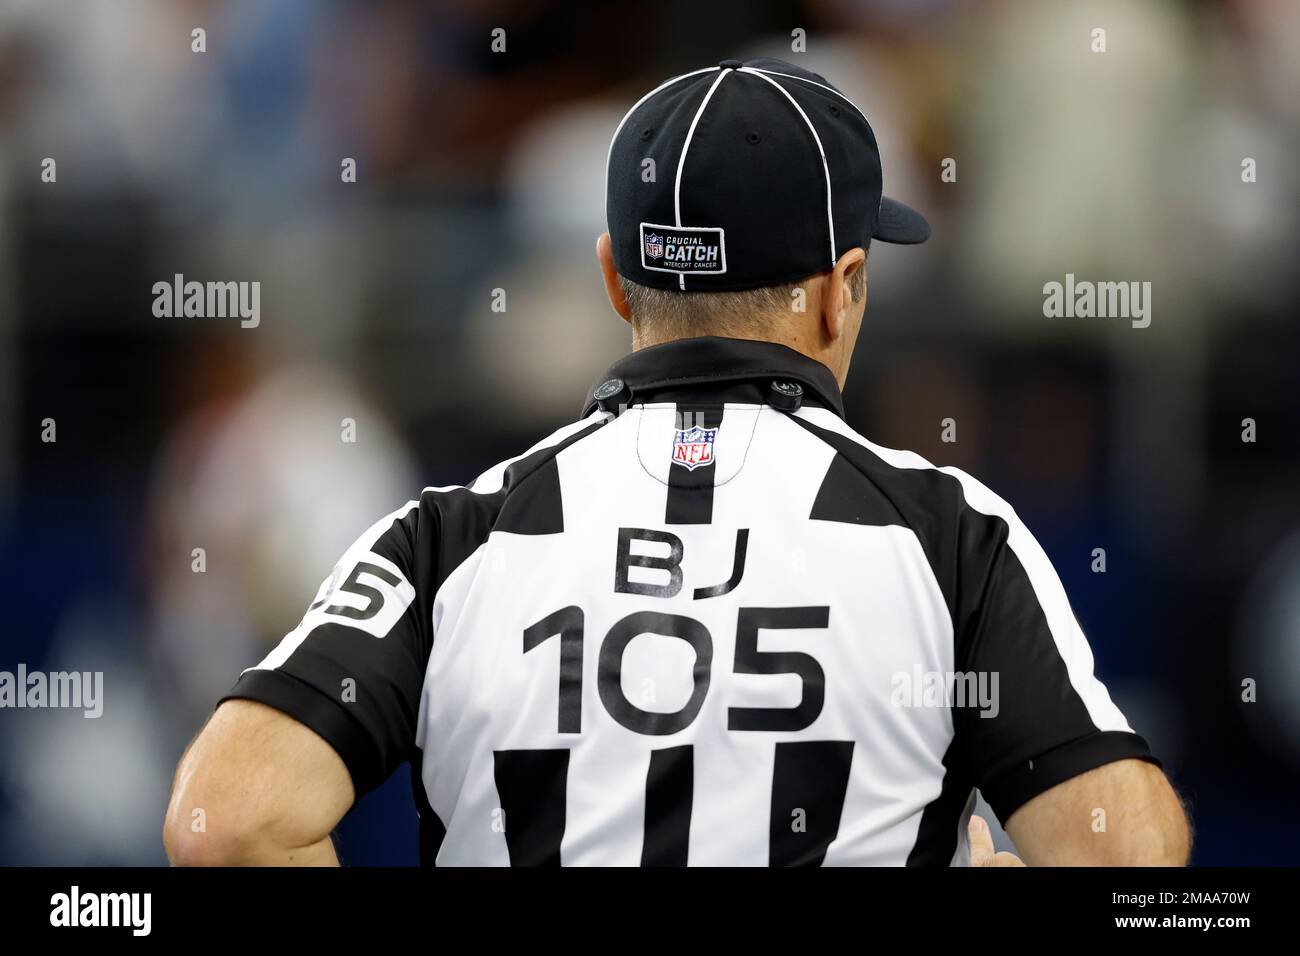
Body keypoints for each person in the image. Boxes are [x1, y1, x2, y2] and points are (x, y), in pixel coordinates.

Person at [164, 57, 1189, 866]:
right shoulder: (948, 535)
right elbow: (1127, 858)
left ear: (616, 278)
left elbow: (224, 820)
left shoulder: (452, 533)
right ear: (841, 288)